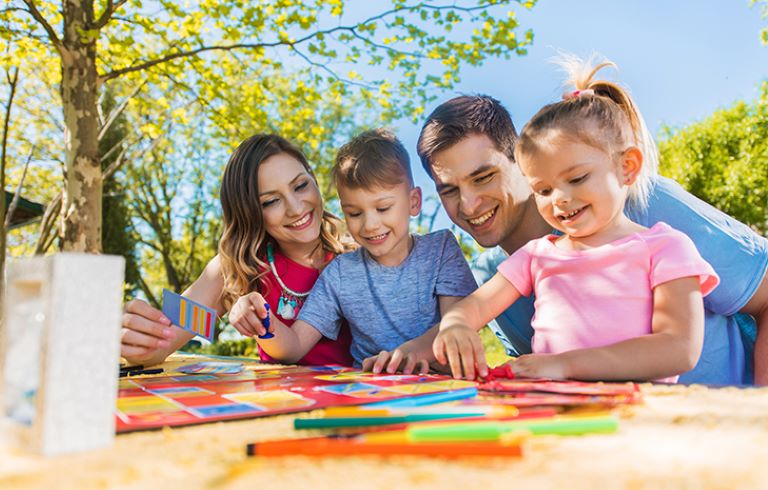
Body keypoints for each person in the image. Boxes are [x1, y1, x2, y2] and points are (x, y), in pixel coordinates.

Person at [418, 60, 768, 386]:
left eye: (483, 177)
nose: (561, 199)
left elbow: (678, 349)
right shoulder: (521, 261)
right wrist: (454, 326)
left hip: (702, 422)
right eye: (545, 188)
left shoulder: (659, 228)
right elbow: (487, 320)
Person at [230, 129, 477, 373]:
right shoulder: (339, 272)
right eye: (354, 213)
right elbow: (294, 346)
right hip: (372, 395)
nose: (370, 225)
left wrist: (408, 354)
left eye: (383, 208)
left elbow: (458, 321)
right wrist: (263, 321)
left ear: (414, 202)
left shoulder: (441, 250)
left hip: (447, 388)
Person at [120, 134, 355, 367]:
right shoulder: (234, 269)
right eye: (270, 201)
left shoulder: (361, 255)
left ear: (313, 180)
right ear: (249, 213)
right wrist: (136, 339)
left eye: (301, 186)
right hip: (280, 403)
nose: (295, 208)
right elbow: (160, 343)